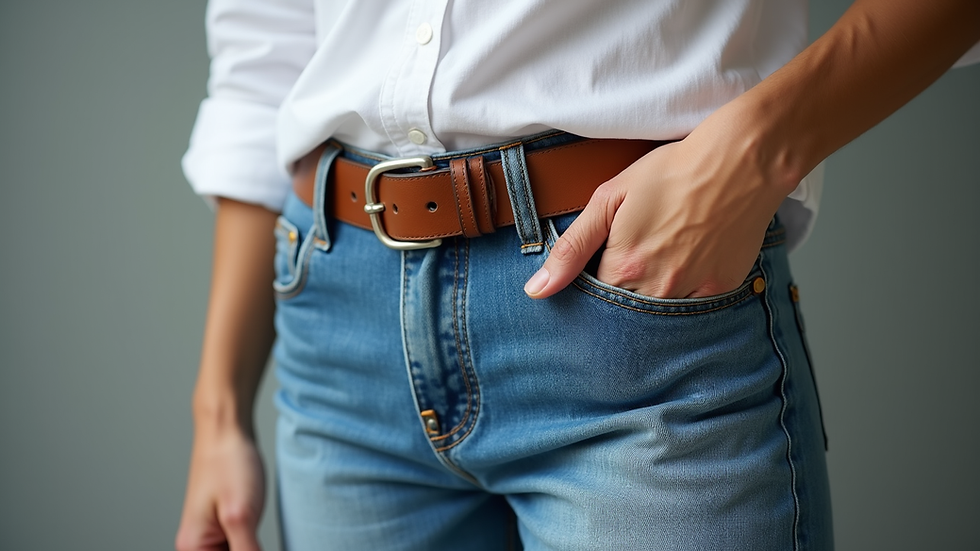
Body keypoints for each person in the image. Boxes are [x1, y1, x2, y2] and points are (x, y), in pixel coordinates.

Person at [175, 1, 980, 549]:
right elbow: (265, 58)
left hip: (631, 319)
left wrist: (756, 152)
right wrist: (219, 409)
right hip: (341, 347)